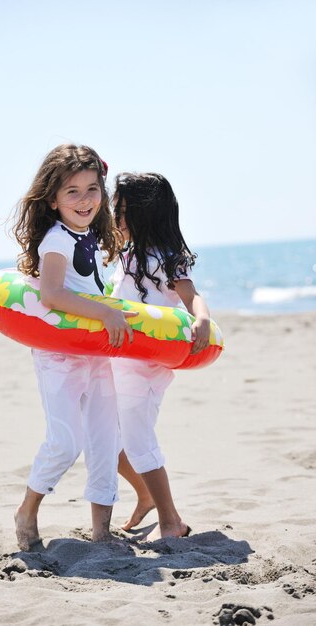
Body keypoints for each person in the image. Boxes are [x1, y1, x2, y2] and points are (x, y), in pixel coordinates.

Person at [12, 144, 137, 549]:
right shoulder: (56, 240)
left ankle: (102, 531)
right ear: (52, 199)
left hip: (96, 356)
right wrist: (105, 315)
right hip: (61, 357)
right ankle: (27, 510)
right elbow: (51, 294)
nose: (85, 200)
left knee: (104, 441)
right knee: (66, 442)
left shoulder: (93, 237)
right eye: (72, 192)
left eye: (92, 189)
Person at [110, 172, 211, 541]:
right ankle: (146, 496)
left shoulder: (167, 258)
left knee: (138, 443)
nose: (115, 217)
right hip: (118, 362)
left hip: (147, 367)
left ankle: (172, 522)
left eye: (121, 210)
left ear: (143, 213)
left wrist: (201, 318)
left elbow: (190, 296)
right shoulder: (124, 256)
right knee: (107, 442)